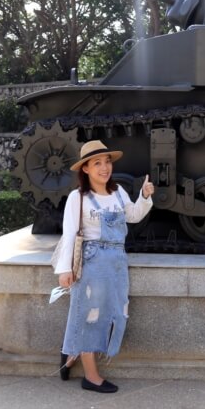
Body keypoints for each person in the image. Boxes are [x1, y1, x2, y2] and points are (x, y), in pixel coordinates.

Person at [53, 140, 155, 393]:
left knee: (115, 314)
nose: (104, 167)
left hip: (117, 264)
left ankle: (70, 353)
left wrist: (144, 196)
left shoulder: (118, 192)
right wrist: (65, 270)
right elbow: (69, 235)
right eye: (97, 163)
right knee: (91, 317)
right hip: (92, 264)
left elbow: (132, 216)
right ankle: (91, 376)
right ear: (85, 169)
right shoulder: (78, 198)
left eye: (107, 162)